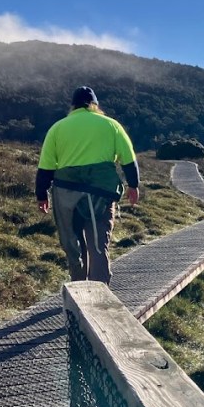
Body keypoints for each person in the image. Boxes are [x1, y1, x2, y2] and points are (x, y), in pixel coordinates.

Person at [36, 86, 140, 285]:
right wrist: (133, 185)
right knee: (98, 243)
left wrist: (42, 195)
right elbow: (128, 158)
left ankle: (78, 285)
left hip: (66, 193)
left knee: (74, 242)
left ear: (73, 106)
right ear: (95, 105)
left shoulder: (58, 127)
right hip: (101, 192)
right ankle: (100, 287)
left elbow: (46, 167)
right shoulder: (111, 125)